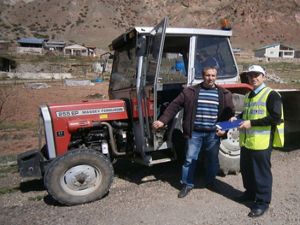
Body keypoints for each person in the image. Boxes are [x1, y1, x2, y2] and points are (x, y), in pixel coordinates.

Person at [152, 66, 235, 198]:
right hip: (194, 133)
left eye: (213, 75)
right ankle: (187, 184)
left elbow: (230, 114)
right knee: (190, 159)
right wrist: (163, 120)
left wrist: (224, 130)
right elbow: (174, 105)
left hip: (213, 133)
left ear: (216, 77)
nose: (210, 78)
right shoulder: (190, 92)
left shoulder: (224, 94)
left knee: (212, 160)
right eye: (208, 75)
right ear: (203, 76)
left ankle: (211, 182)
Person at [232, 65, 284, 218]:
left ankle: (262, 202)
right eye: (250, 75)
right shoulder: (249, 96)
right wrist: (238, 118)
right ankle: (250, 193)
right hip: (247, 141)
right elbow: (248, 113)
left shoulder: (272, 95)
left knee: (261, 173)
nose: (253, 78)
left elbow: (276, 118)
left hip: (261, 142)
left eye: (257, 75)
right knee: (247, 170)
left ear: (264, 77)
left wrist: (251, 123)